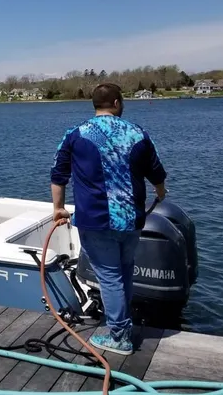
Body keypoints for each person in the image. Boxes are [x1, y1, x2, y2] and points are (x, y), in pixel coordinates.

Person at [50, 83, 167, 355]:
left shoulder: (76, 134)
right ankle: (122, 326)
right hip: (131, 219)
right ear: (116, 102)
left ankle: (119, 335)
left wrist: (58, 209)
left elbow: (58, 175)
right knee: (124, 272)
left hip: (96, 220)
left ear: (95, 104)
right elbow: (157, 173)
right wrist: (160, 193)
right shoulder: (137, 133)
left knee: (111, 277)